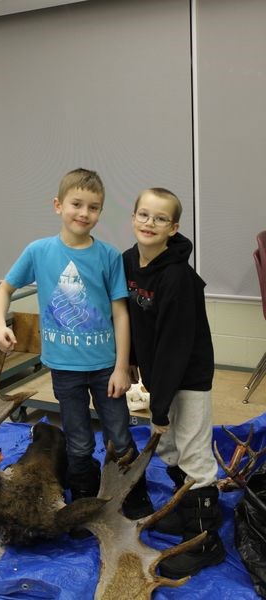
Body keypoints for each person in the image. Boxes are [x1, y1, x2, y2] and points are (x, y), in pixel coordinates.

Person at [0, 168, 152, 519]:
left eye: (93, 207)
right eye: (76, 204)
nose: (84, 213)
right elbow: (4, 288)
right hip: (64, 369)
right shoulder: (38, 251)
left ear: (100, 212)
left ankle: (132, 492)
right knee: (78, 441)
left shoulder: (109, 256)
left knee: (120, 434)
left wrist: (122, 366)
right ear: (57, 205)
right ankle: (83, 494)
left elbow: (121, 314)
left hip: (105, 368)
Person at [122, 187, 226, 578]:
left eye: (160, 218)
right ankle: (186, 513)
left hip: (188, 374)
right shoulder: (128, 262)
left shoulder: (178, 278)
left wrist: (161, 405)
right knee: (167, 446)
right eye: (144, 215)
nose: (150, 223)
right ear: (133, 217)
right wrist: (131, 361)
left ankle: (206, 541)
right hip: (157, 373)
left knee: (193, 452)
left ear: (174, 227)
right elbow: (131, 318)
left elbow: (174, 347)